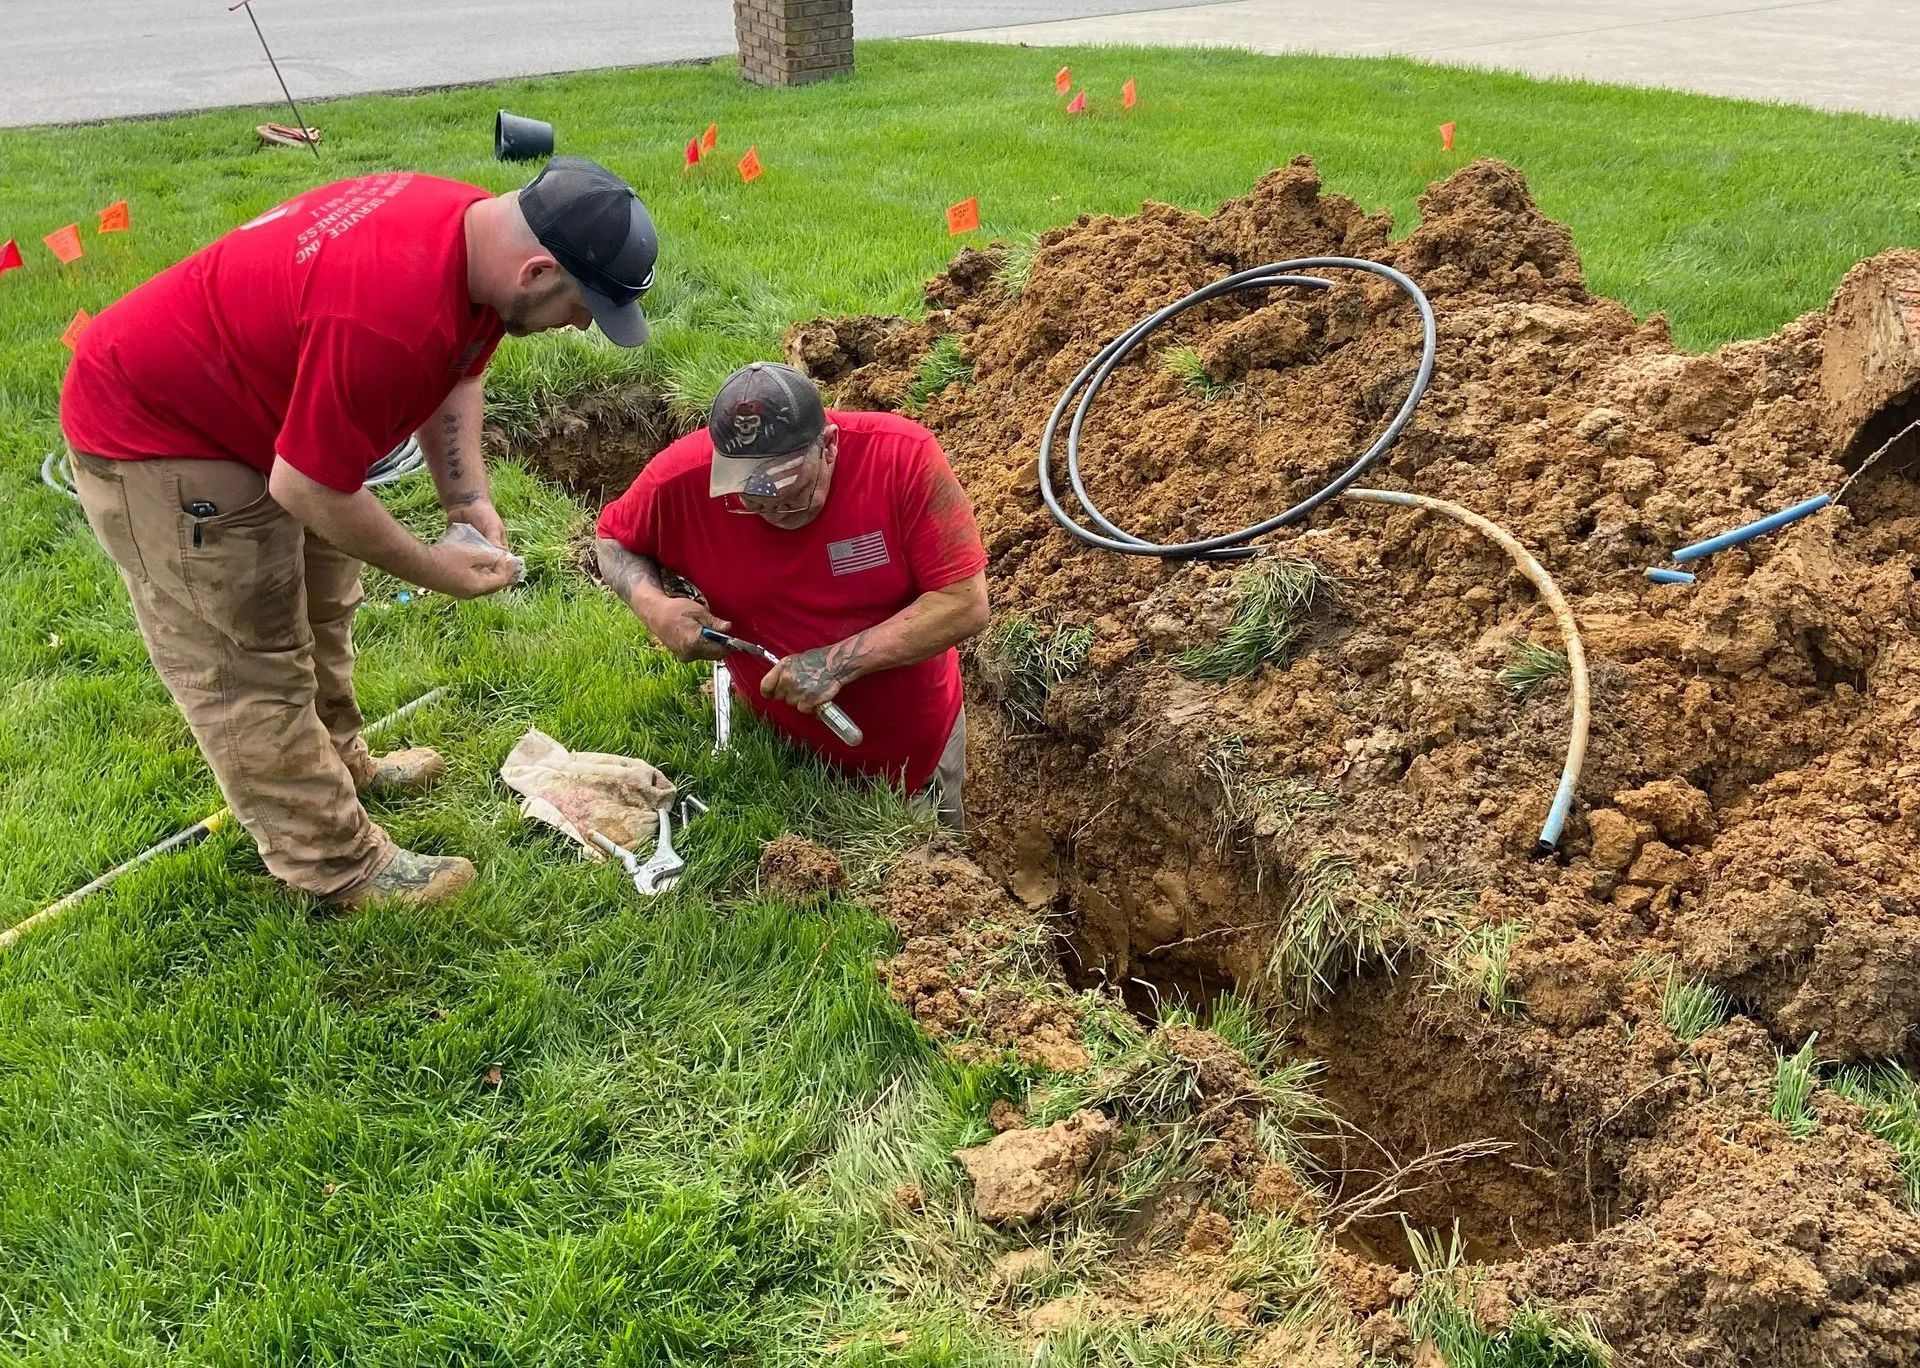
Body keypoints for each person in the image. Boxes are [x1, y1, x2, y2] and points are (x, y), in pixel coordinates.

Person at [59, 157, 658, 908]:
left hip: (262, 406)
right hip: (161, 432)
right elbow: (308, 486)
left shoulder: (479, 237)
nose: (579, 325)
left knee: (322, 602)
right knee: (248, 654)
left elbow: (460, 371)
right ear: (538, 272)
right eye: (582, 307)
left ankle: (342, 764)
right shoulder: (387, 316)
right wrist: (438, 570)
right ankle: (337, 864)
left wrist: (465, 499)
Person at [595, 363, 990, 830]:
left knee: (932, 868)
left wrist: (834, 664)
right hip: (783, 752)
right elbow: (613, 539)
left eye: (792, 494)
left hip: (915, 746)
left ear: (828, 445)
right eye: (752, 500)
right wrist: (656, 609)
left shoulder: (902, 459)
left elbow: (964, 602)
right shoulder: (683, 478)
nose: (773, 512)